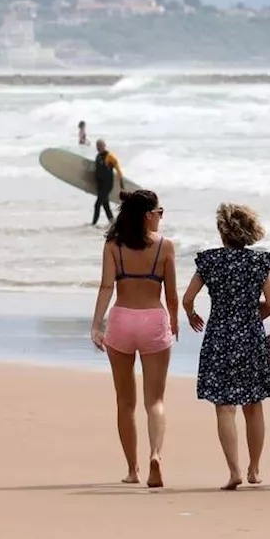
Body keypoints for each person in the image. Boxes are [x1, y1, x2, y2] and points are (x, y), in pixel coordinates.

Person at [183, 203, 270, 490]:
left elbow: (188, 298)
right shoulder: (258, 262)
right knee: (253, 405)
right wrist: (250, 316)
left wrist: (191, 315)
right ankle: (254, 468)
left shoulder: (210, 261)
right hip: (249, 336)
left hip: (219, 336)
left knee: (224, 406)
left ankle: (234, 470)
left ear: (223, 231)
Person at [89, 190, 179, 488]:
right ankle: (156, 454)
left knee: (125, 401)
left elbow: (106, 287)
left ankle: (132, 469)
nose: (161, 217)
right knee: (155, 400)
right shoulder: (165, 246)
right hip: (153, 320)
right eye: (159, 212)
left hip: (122, 321)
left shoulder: (113, 245)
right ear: (147, 216)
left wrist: (96, 325)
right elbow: (171, 294)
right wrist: (175, 321)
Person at [92, 139, 122, 226]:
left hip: (107, 184)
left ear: (104, 146)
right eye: (97, 146)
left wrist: (121, 182)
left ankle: (93, 224)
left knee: (97, 204)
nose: (98, 147)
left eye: (100, 146)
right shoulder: (98, 156)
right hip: (100, 185)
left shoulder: (110, 156)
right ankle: (113, 222)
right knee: (105, 204)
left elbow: (118, 168)